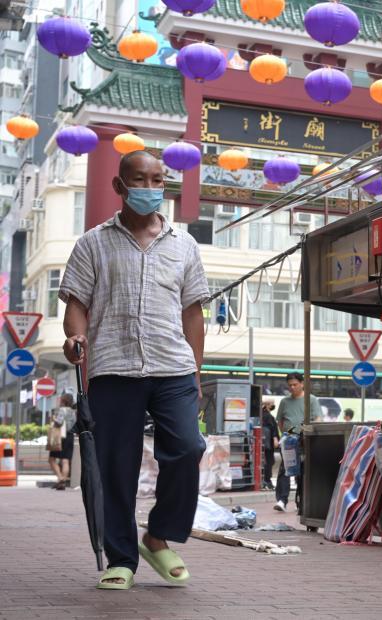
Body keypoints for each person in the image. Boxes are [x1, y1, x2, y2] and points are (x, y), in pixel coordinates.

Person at [60, 150, 209, 590]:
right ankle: (121, 558)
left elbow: (193, 314)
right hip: (113, 366)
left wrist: (196, 372)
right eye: (140, 180)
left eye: (158, 180)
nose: (150, 188)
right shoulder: (93, 243)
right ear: (120, 187)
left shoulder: (185, 245)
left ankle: (158, 536)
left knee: (187, 448)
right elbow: (77, 305)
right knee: (115, 467)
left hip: (173, 367)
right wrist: (75, 339)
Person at [274, 372, 322, 513]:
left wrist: (307, 432)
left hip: (304, 441)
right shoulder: (284, 402)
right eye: (290, 385)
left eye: (295, 384)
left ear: (302, 384)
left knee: (302, 471)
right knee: (285, 469)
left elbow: (318, 418)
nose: (292, 387)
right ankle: (282, 500)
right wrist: (286, 433)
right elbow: (280, 421)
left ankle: (300, 500)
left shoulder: (311, 400)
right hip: (289, 440)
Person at [47, 393, 77, 491]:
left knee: (52, 459)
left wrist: (53, 418)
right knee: (65, 460)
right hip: (70, 436)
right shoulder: (73, 412)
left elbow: (59, 422)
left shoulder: (62, 410)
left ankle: (60, 478)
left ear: (64, 401)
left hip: (60, 437)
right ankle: (62, 481)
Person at [260, 400, 279, 490]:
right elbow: (273, 428)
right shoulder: (268, 416)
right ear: (267, 405)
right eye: (272, 404)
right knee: (269, 461)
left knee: (265, 461)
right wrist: (275, 438)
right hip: (268, 442)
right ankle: (267, 481)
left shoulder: (261, 415)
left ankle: (264, 480)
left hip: (263, 442)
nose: (273, 406)